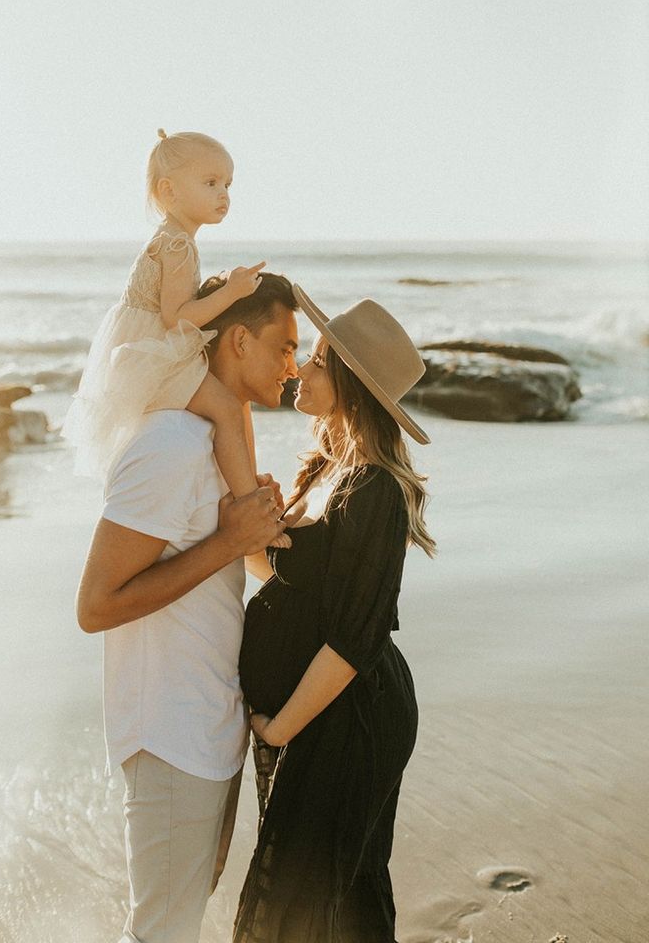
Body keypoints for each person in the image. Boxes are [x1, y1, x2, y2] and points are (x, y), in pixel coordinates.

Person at [76, 272, 299, 943]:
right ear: (237, 340)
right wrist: (231, 538)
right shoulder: (169, 444)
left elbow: (244, 566)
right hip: (170, 734)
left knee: (176, 922)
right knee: (161, 933)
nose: (293, 365)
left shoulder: (217, 447)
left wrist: (259, 536)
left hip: (209, 725)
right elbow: (95, 604)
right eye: (284, 347)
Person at [234, 287, 436, 943]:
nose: (300, 369)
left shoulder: (375, 490)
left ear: (348, 382)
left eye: (318, 360)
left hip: (352, 715)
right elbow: (293, 589)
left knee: (311, 894)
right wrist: (258, 533)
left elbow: (353, 637)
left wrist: (276, 731)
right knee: (336, 892)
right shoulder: (324, 468)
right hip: (318, 711)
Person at [62, 129, 265, 502]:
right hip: (154, 357)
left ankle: (237, 488)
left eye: (227, 184)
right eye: (210, 182)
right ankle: (251, 504)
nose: (223, 194)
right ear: (169, 191)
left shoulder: (173, 238)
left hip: (149, 350)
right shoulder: (177, 245)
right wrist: (231, 291)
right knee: (227, 410)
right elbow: (178, 318)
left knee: (222, 404)